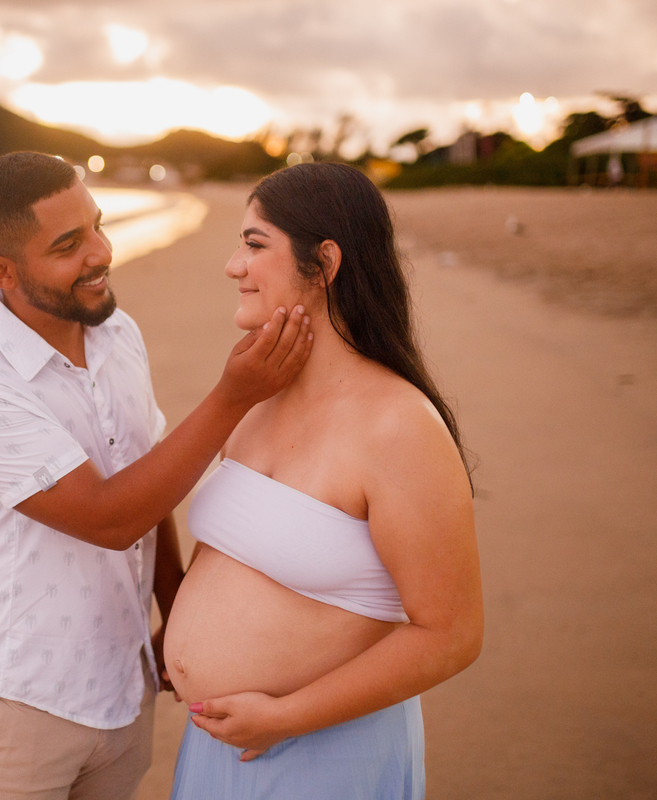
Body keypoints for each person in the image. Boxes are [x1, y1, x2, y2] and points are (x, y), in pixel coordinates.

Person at [0, 151, 312, 800]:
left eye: (98, 226)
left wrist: (175, 612)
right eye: (70, 244)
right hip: (19, 700)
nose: (102, 253)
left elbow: (146, 475)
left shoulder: (117, 333)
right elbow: (109, 517)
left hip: (124, 684)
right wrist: (234, 395)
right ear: (0, 271)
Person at [163, 162, 484, 799]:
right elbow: (233, 547)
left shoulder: (398, 426)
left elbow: (452, 634)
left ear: (325, 262)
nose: (233, 265)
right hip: (215, 748)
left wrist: (285, 716)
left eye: (255, 244)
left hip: (325, 752)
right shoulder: (256, 395)